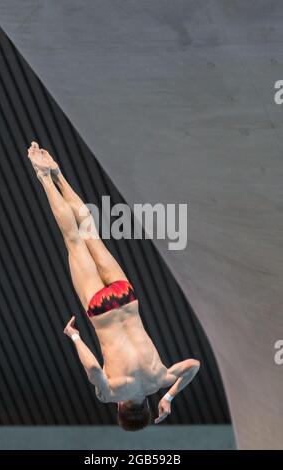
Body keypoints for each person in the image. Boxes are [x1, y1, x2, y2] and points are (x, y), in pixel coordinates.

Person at [27, 141, 200, 431]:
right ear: (121, 410)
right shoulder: (112, 394)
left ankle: (58, 174)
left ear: (147, 406)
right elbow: (94, 369)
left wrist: (169, 396)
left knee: (89, 230)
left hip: (126, 297)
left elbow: (193, 364)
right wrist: (74, 337)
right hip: (101, 309)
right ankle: (44, 177)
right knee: (73, 239)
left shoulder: (159, 379)